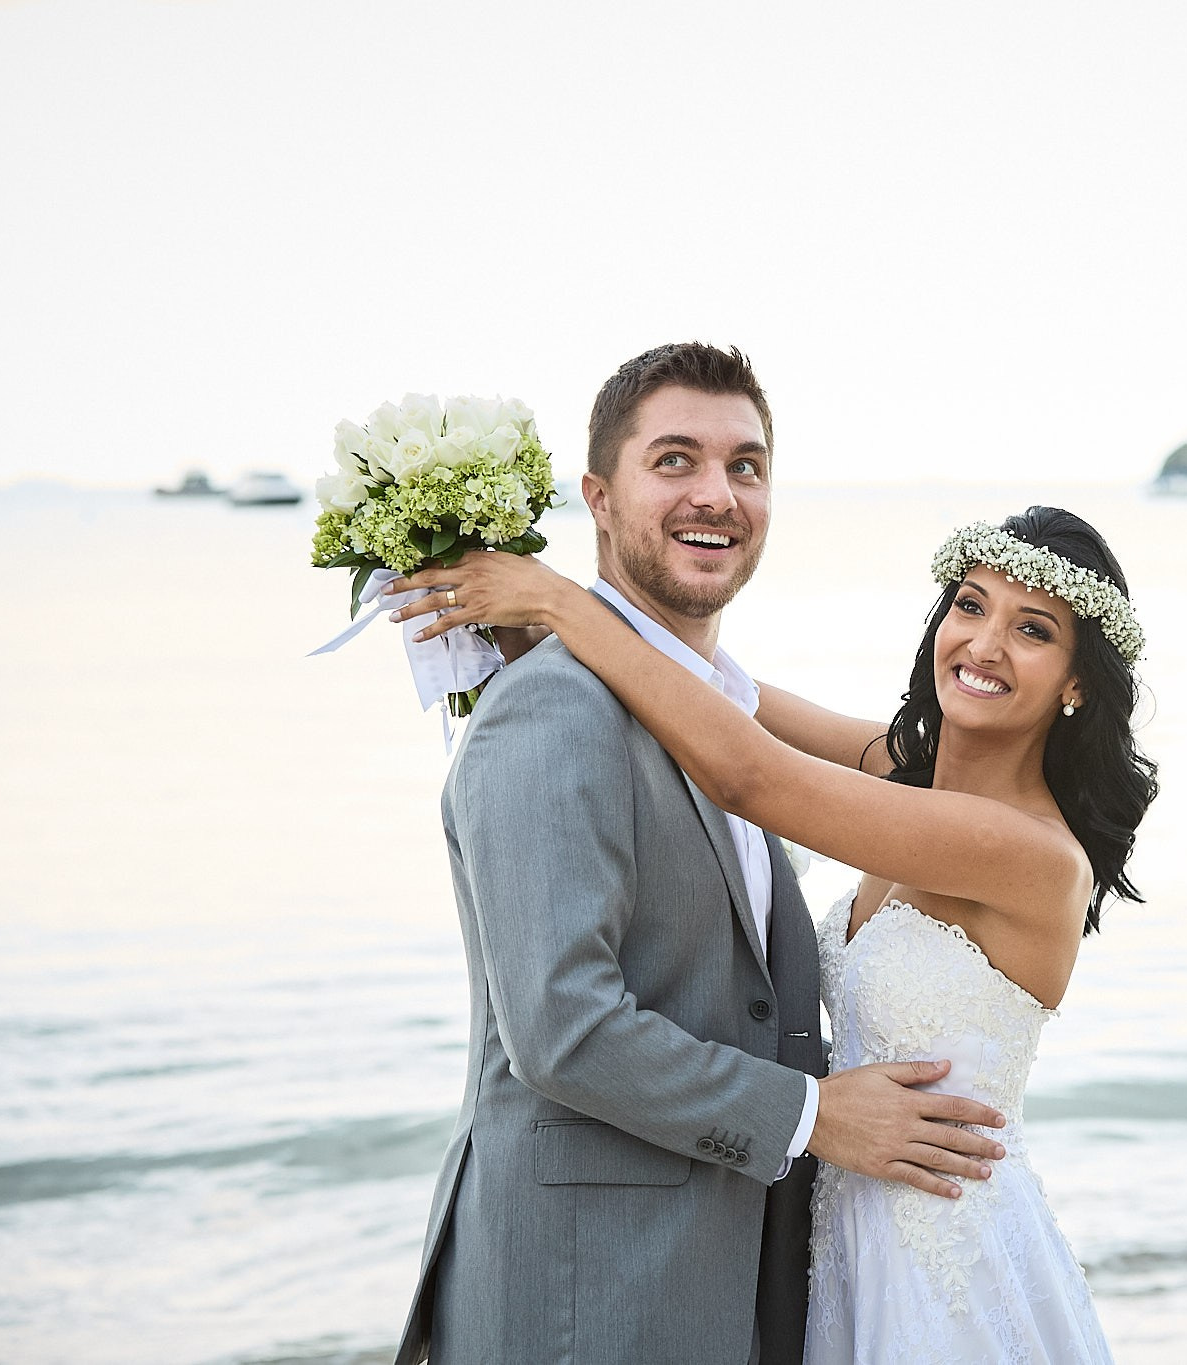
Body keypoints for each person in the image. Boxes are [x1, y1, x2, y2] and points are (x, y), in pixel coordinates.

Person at [392, 503, 1159, 1363]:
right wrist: (547, 634)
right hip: (842, 1230)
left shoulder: (1029, 853)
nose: (983, 646)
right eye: (970, 605)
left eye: (1032, 630)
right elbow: (721, 692)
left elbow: (747, 775)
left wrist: (566, 605)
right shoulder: (902, 775)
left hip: (946, 1245)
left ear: (1078, 681)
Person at [391, 342, 1010, 1365]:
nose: (716, 494)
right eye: (673, 460)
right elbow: (563, 1030)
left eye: (746, 466)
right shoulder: (551, 712)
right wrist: (814, 1117)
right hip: (583, 1298)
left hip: (728, 1281)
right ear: (596, 496)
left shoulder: (719, 712)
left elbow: (896, 766)